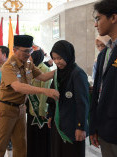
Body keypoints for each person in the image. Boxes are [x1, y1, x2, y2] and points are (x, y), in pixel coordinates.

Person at [0, 35, 59, 157]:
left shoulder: (28, 64)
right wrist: (44, 91)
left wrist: (62, 69)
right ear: (15, 50)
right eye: (25, 51)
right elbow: (18, 87)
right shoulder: (8, 67)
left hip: (20, 109)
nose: (28, 54)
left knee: (21, 144)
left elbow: (43, 76)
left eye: (30, 50)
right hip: (6, 109)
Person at [47, 40, 89, 157]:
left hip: (73, 126)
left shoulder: (77, 74)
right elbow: (52, 96)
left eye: (60, 58)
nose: (57, 62)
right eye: (54, 58)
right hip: (58, 124)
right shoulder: (57, 73)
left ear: (67, 55)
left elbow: (83, 102)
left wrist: (80, 127)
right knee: (58, 152)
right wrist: (50, 115)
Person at [90, 0, 117, 156]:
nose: (95, 24)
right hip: (105, 130)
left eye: (98, 18)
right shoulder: (103, 55)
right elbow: (97, 94)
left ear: (113, 18)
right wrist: (94, 126)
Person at [26, 50, 51, 157]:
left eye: (30, 58)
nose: (29, 59)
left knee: (41, 137)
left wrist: (41, 110)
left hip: (40, 112)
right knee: (31, 136)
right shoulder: (30, 69)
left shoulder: (45, 70)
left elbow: (45, 93)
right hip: (31, 109)